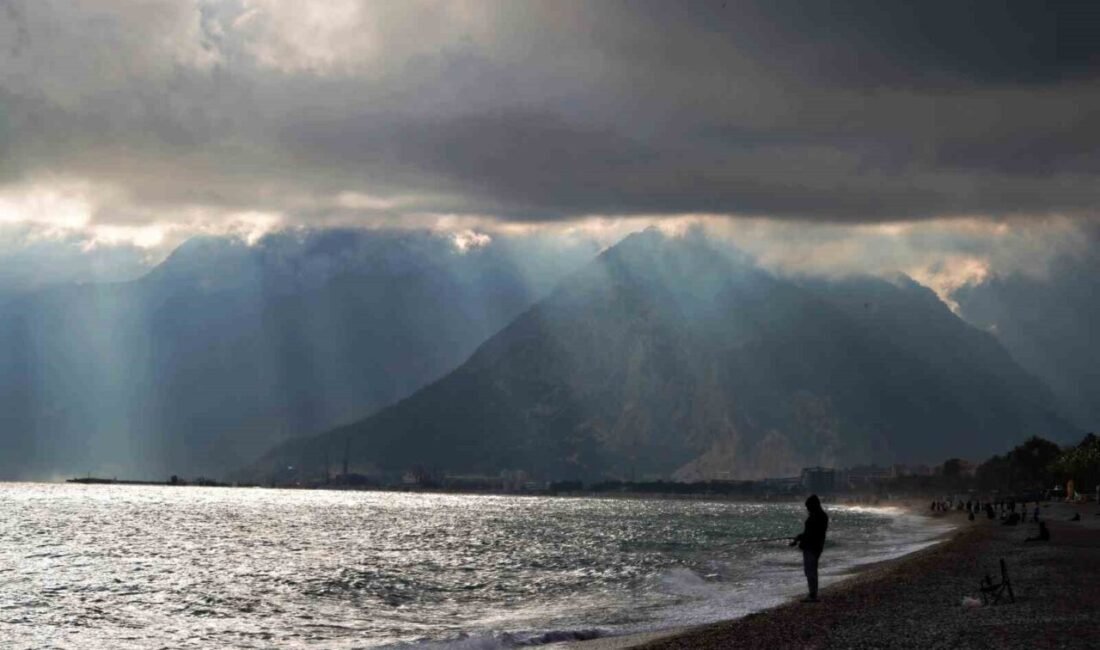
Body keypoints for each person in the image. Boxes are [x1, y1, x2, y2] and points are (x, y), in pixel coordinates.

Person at [790, 494, 829, 602]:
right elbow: (810, 533)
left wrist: (799, 539)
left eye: (808, 506)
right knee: (810, 571)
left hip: (812, 547)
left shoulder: (817, 516)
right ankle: (813, 593)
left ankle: (813, 595)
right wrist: (799, 538)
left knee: (810, 571)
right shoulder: (821, 516)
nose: (807, 509)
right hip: (815, 546)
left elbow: (812, 534)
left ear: (813, 505)